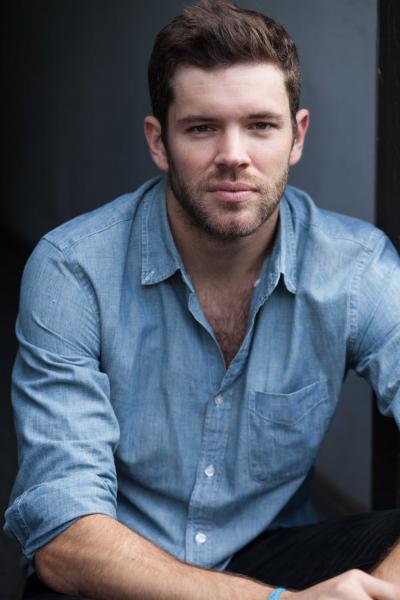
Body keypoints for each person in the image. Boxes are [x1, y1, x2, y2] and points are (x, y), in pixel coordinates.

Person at [4, 1, 400, 599]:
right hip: (119, 567)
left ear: (297, 136)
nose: (233, 155)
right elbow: (64, 532)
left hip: (273, 554)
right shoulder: (73, 269)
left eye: (260, 126)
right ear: (159, 141)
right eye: (201, 128)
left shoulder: (355, 267)